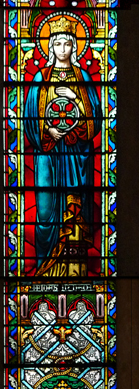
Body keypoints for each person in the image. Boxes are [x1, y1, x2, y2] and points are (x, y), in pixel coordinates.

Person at [24, 16, 102, 276]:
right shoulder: (41, 78)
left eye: (67, 44)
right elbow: (29, 117)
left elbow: (95, 120)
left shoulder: (82, 77)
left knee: (75, 209)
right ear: (50, 47)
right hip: (48, 153)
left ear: (74, 47)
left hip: (76, 155)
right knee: (46, 212)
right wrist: (48, 130)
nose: (62, 49)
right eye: (57, 44)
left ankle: (74, 271)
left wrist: (75, 99)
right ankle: (46, 269)